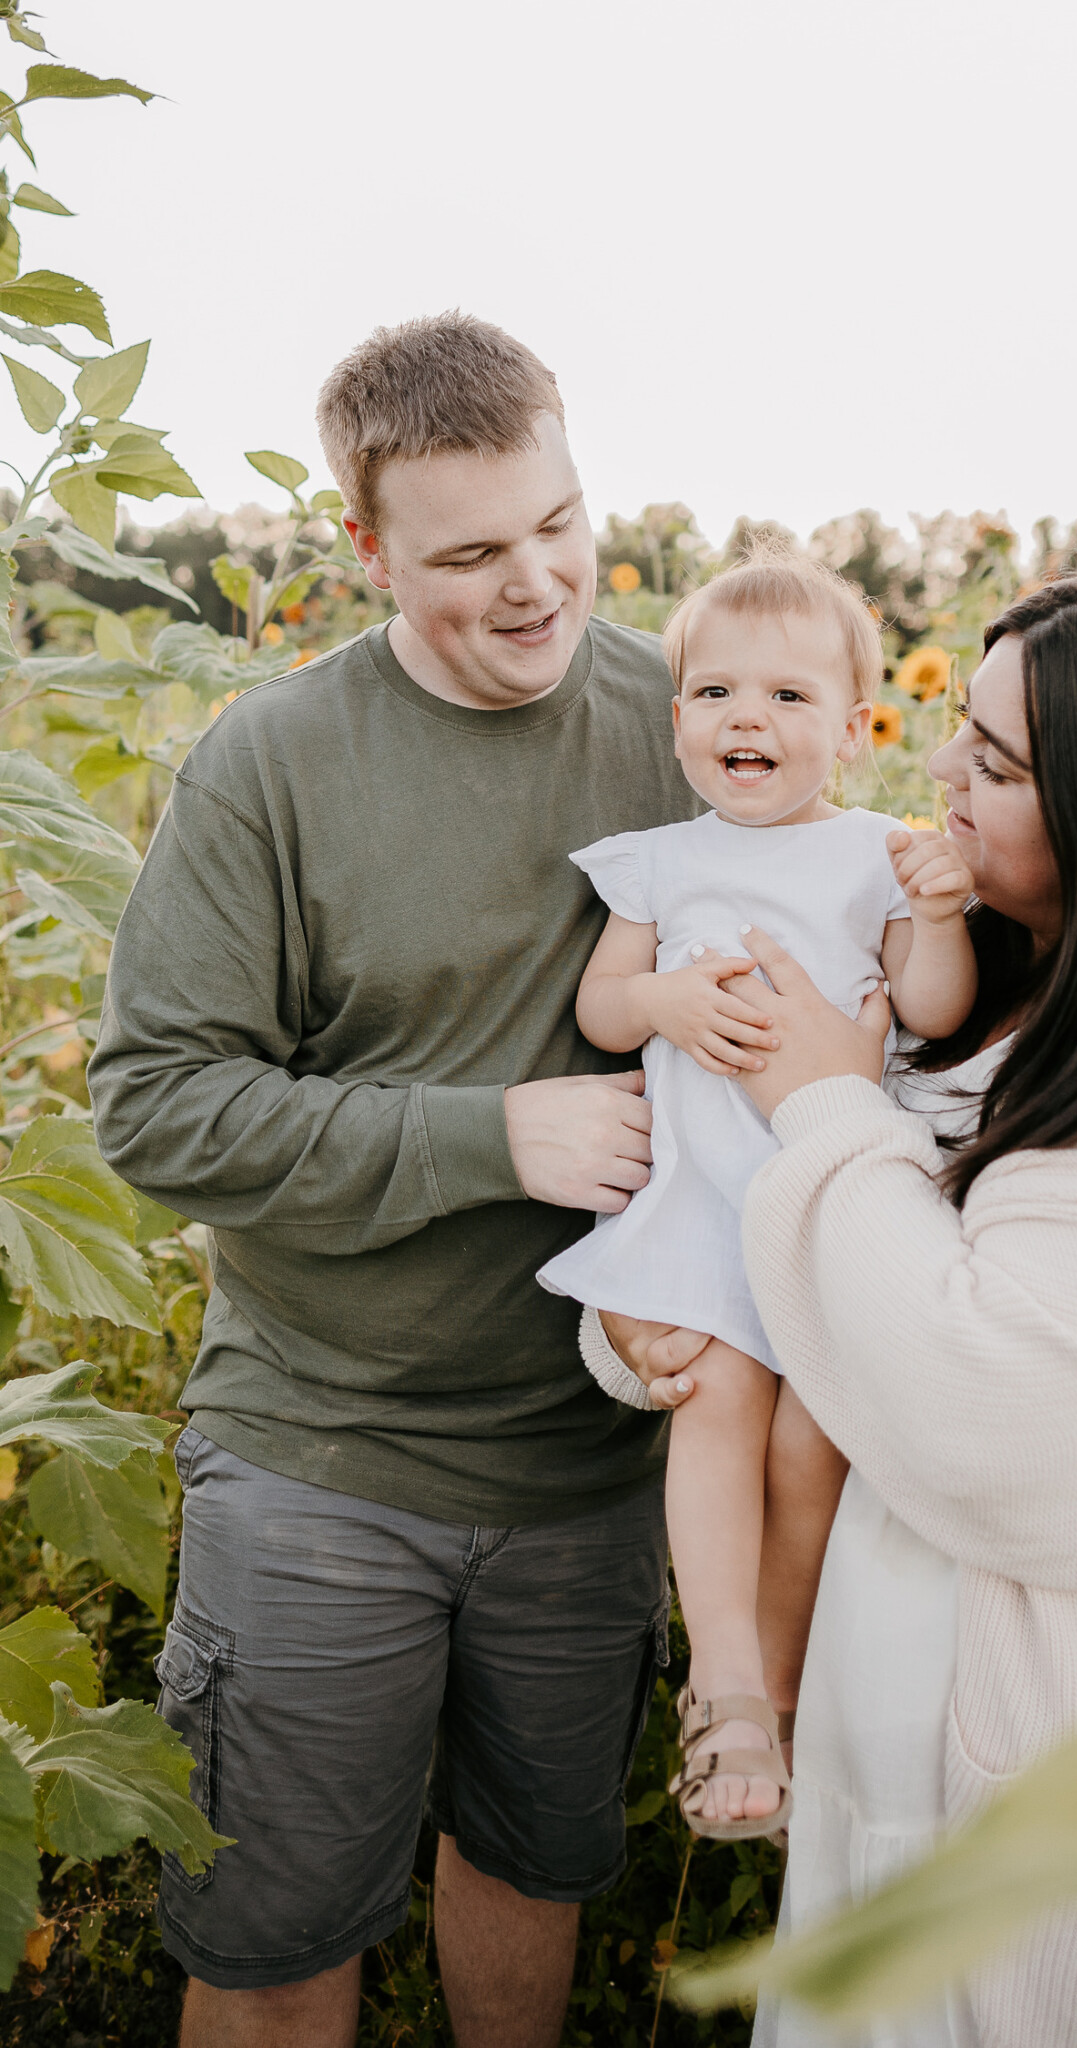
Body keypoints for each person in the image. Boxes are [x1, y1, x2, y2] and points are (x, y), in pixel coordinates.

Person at [598, 562, 1077, 2047]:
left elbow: (963, 1393)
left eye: (997, 761)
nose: (939, 767)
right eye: (960, 724)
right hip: (905, 1699)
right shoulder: (1005, 977)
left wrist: (820, 1100)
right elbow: (748, 1212)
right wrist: (646, 1327)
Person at [87, 309, 703, 2048]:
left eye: (561, 525)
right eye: (471, 555)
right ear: (364, 547)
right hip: (324, 1457)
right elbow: (153, 1109)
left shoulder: (686, 721)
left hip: (591, 1468)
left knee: (531, 1877)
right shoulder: (271, 770)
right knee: (279, 1942)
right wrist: (489, 1132)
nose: (537, 586)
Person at [538, 549, 976, 1839]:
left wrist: (939, 915)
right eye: (716, 691)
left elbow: (934, 1014)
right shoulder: (659, 863)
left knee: (816, 1434)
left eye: (789, 698)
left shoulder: (878, 855)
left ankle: (776, 1688)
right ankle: (723, 1676)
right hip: (703, 1200)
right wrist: (660, 999)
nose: (747, 719)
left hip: (831, 1197)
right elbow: (602, 1008)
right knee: (717, 1406)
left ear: (853, 729)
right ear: (676, 718)